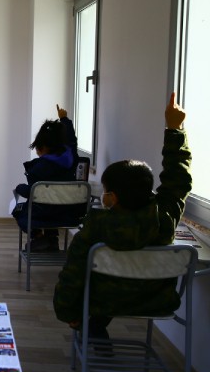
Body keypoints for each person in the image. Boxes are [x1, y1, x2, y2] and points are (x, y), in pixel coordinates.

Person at [53, 93, 192, 341]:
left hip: (102, 303)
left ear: (113, 197)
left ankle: (91, 328)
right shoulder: (166, 216)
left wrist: (67, 312)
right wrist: (174, 130)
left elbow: (72, 274)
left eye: (106, 192)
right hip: (157, 303)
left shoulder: (96, 226)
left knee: (102, 279)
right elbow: (177, 180)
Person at [12, 106, 82, 251]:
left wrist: (19, 188)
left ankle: (39, 238)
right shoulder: (71, 158)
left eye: (37, 148)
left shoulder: (40, 167)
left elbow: (33, 191)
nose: (37, 152)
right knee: (53, 201)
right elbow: (71, 141)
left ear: (43, 147)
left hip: (44, 214)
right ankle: (52, 240)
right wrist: (64, 119)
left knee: (18, 210)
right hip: (70, 214)